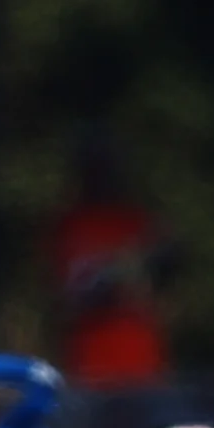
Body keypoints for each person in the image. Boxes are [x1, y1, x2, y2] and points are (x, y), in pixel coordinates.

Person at [46, 132, 169, 388]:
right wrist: (118, 269)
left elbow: (156, 288)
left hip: (143, 360)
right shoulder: (73, 226)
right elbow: (74, 293)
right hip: (93, 363)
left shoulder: (137, 221)